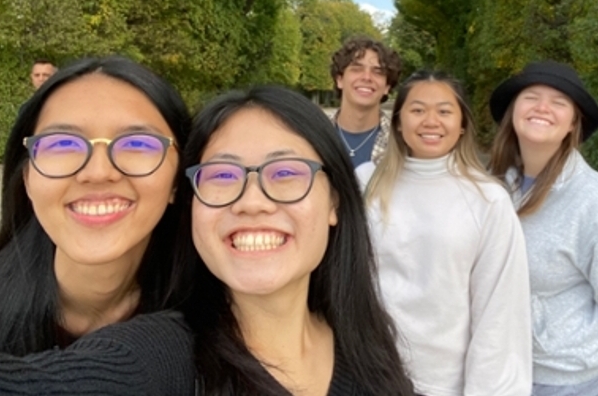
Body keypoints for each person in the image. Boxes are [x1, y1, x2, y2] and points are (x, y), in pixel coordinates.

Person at [0, 56, 195, 395]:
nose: (98, 172)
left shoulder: (215, 320)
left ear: (176, 180)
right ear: (27, 177)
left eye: (138, 144)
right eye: (63, 144)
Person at [178, 85, 415, 395]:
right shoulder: (149, 362)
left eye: (286, 172)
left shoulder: (369, 350)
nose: (252, 202)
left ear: (335, 201)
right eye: (222, 175)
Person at [487, 60, 598, 396]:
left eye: (559, 102)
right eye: (531, 97)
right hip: (496, 370)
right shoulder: (493, 185)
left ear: (573, 123)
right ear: (513, 112)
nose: (542, 107)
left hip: (562, 384)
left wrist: (567, 337)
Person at [357, 70, 533, 395]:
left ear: (462, 123)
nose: (430, 121)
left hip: (440, 383)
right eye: (418, 109)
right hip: (366, 373)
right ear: (398, 121)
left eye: (444, 111)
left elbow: (499, 312)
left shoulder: (487, 200)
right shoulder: (366, 183)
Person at [329, 36, 401, 169]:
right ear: (339, 80)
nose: (367, 77)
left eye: (378, 72)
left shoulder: (402, 142)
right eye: (356, 69)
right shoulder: (312, 134)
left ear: (387, 87)